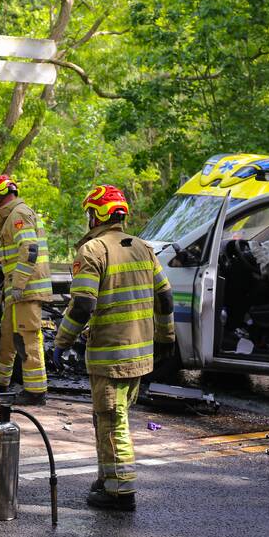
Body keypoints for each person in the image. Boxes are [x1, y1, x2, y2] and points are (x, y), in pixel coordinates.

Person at [52, 184, 174, 511]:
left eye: (90, 212)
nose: (89, 219)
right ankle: (109, 477)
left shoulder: (92, 251)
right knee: (108, 418)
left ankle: (120, 491)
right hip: (139, 354)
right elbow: (165, 296)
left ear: (98, 214)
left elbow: (82, 306)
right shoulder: (143, 248)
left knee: (111, 420)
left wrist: (61, 342)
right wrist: (166, 337)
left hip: (110, 356)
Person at [0, 174, 52, 406]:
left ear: (1, 192)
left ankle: (35, 392)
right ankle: (0, 384)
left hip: (26, 291)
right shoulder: (13, 215)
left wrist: (19, 285)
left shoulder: (18, 214)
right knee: (9, 340)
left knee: (27, 339)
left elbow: (29, 249)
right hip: (17, 292)